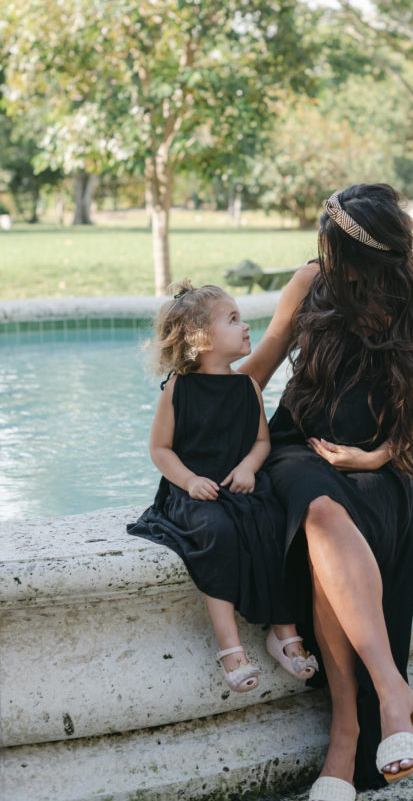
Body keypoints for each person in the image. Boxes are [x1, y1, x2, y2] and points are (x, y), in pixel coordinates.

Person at [241, 184, 413, 800]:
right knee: (316, 503)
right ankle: (389, 695)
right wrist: (192, 397)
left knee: (332, 518)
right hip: (297, 449)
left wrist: (379, 455)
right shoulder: (310, 282)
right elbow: (256, 373)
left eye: (337, 251)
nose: (327, 262)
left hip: (379, 465)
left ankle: (347, 736)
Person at [127, 280, 318, 691]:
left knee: (274, 524)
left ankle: (284, 632)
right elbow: (160, 449)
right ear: (201, 339)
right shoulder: (179, 389)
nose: (246, 326)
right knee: (217, 532)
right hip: (193, 494)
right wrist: (190, 480)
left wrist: (250, 468)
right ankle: (230, 645)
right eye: (233, 319)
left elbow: (261, 440)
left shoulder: (247, 386)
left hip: (240, 486)